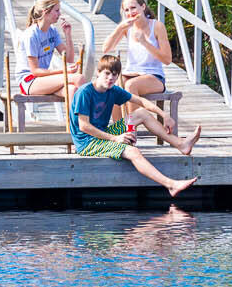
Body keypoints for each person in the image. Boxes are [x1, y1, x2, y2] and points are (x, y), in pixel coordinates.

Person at [73, 55, 195, 197]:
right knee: (133, 152)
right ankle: (171, 185)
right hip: (87, 142)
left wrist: (164, 115)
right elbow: (84, 126)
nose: (110, 78)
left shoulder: (113, 90)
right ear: (98, 72)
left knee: (141, 113)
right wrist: (114, 138)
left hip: (103, 133)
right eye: (107, 73)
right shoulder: (85, 93)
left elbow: (141, 101)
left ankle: (180, 144)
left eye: (114, 75)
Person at [16, 0, 79, 101]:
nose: (59, 14)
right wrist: (63, 70)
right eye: (57, 10)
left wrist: (68, 34)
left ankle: (75, 118)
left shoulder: (52, 31)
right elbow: (35, 71)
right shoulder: (31, 35)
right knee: (78, 78)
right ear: (46, 11)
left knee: (72, 90)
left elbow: (69, 59)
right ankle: (91, 116)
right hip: (29, 81)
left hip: (44, 80)